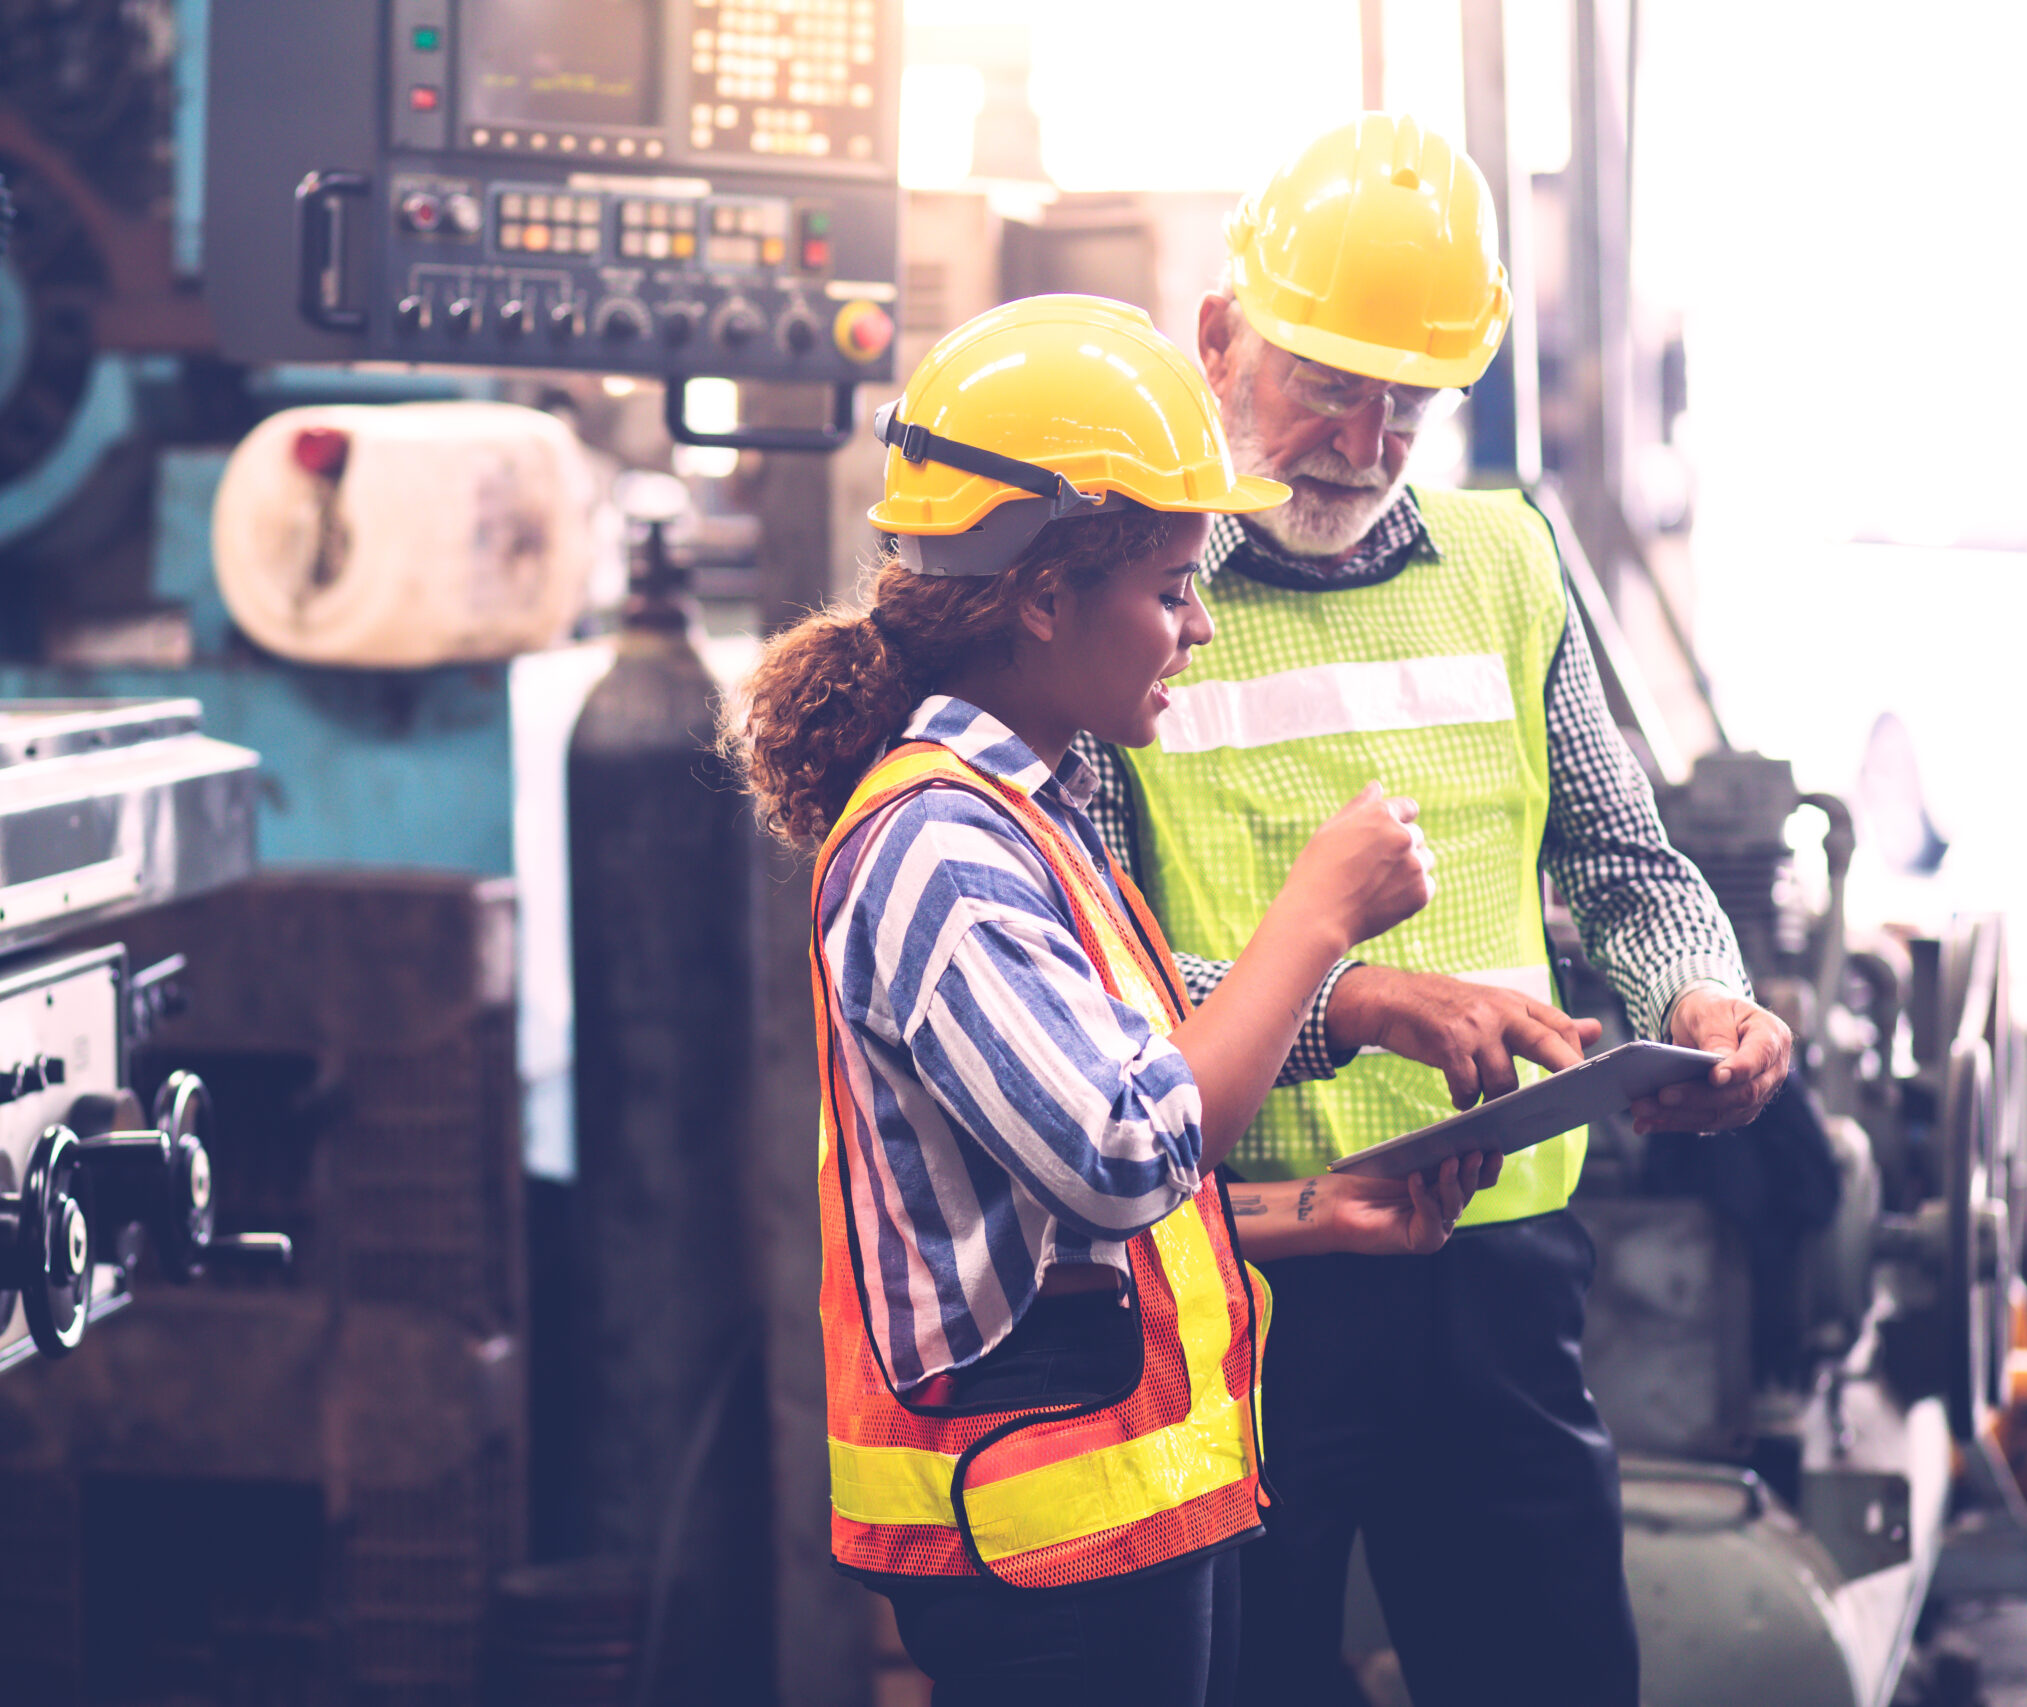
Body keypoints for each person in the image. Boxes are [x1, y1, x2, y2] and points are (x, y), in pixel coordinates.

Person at [1067, 115, 1795, 1706]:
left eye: (1409, 403)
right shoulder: (1133, 602)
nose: (1363, 438)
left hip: (1503, 1265)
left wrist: (1700, 1002)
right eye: (1327, 383)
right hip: (1249, 1273)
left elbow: (1625, 863)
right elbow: (1100, 963)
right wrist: (1354, 1002)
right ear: (1218, 338)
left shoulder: (1510, 559)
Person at [728, 293, 1498, 1707]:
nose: (1199, 628)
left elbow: (1060, 1167)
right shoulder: (939, 852)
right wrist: (1317, 916)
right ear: (1040, 597)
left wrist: (1302, 1220)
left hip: (1112, 1515)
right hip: (1039, 1554)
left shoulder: (1035, 809)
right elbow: (1123, 1151)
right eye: (1169, 589)